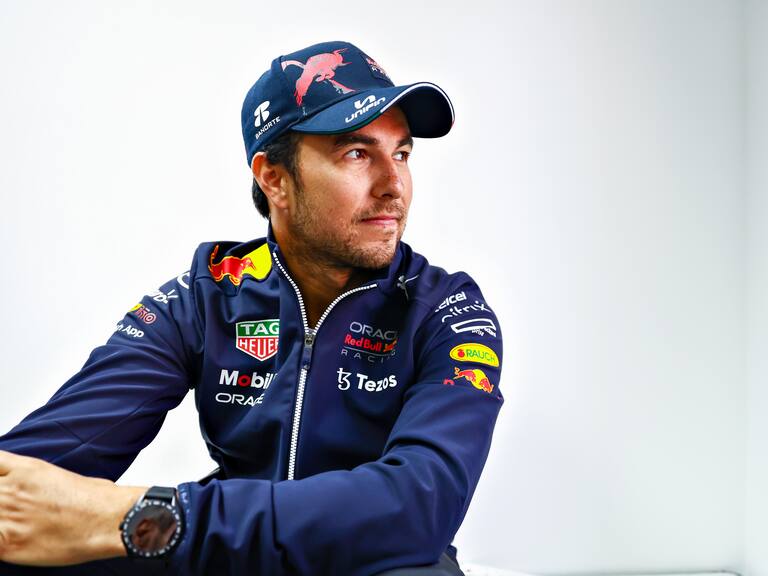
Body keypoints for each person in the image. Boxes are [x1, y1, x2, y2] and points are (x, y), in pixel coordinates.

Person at [0, 40, 504, 575]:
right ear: (274, 179)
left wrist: (153, 517)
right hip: (228, 551)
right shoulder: (205, 296)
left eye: (401, 153)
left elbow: (417, 511)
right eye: (357, 153)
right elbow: (28, 479)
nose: (394, 186)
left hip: (372, 560)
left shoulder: (447, 310)